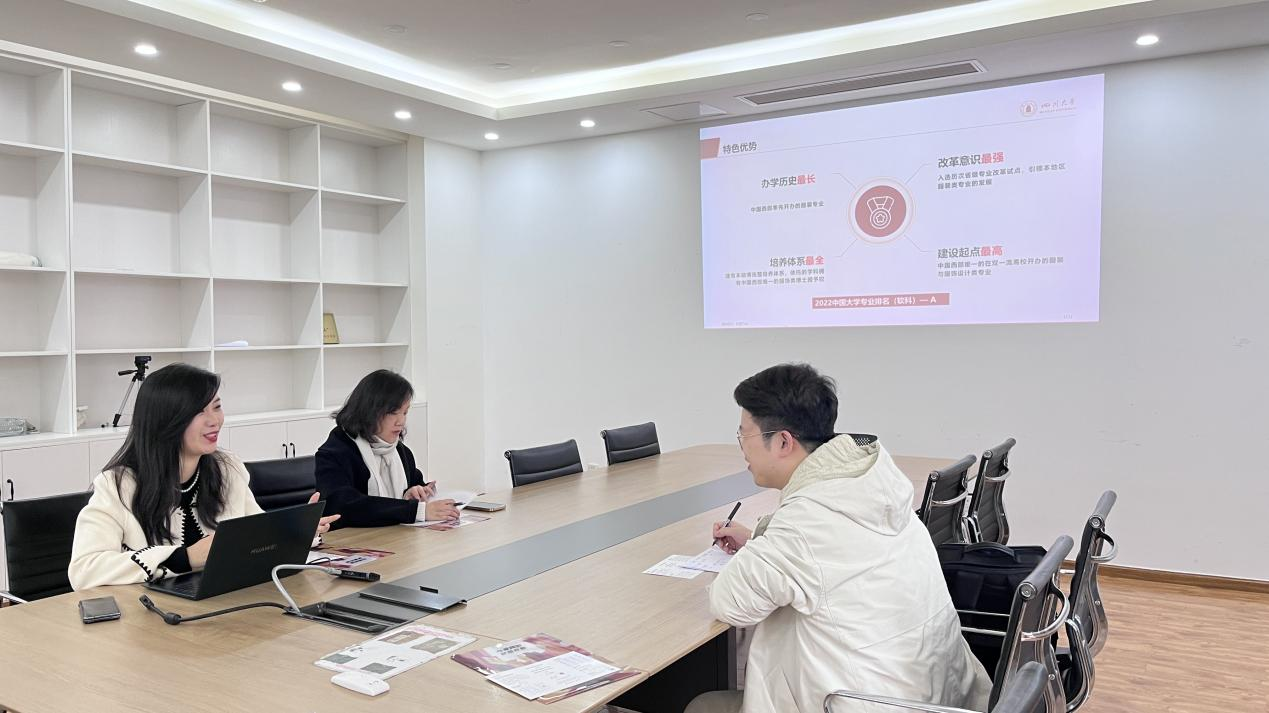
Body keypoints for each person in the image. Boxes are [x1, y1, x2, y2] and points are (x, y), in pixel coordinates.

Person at [686, 363, 991, 713]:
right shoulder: (874, 487)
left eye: (744, 436)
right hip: (938, 694)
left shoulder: (806, 522)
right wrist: (761, 537)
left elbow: (729, 602)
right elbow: (829, 552)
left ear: (783, 441)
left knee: (703, 706)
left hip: (871, 702)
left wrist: (767, 545)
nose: (741, 448)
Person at [69, 364, 339, 589]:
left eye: (216, 407)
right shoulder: (118, 486)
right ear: (167, 420)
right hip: (152, 621)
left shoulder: (227, 470)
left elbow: (256, 537)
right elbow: (84, 570)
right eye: (199, 411)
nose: (214, 420)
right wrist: (185, 558)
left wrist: (295, 531)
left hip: (221, 609)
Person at [314, 370, 458, 528]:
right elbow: (344, 506)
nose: (401, 421)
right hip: (354, 539)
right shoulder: (335, 453)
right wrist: (415, 511)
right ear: (369, 411)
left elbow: (415, 488)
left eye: (405, 412)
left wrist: (415, 493)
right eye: (393, 413)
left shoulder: (400, 451)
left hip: (395, 536)